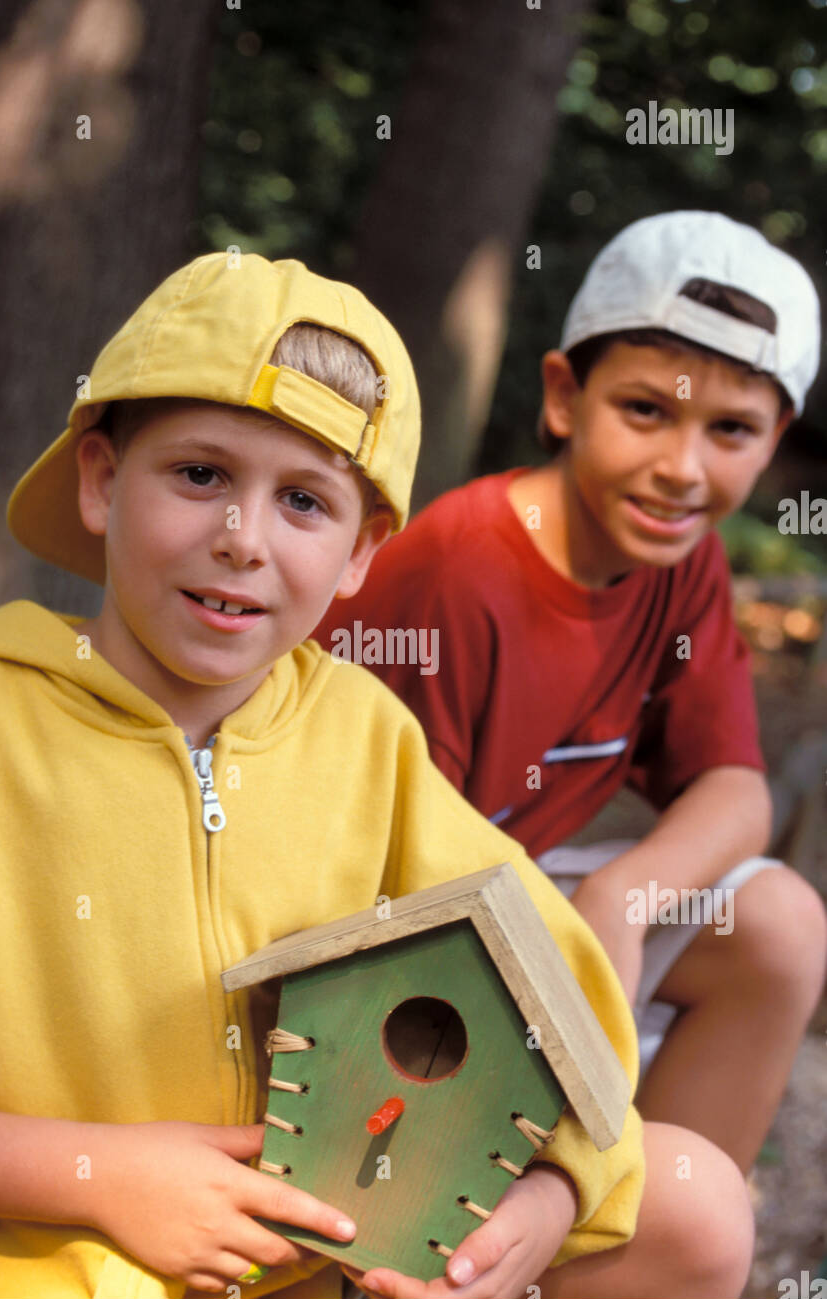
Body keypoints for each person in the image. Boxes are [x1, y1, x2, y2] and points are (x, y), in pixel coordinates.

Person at [0, 251, 750, 1299]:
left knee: (699, 1201)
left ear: (363, 553)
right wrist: (100, 1177)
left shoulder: (365, 737)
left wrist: (545, 1193)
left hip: (313, 1256)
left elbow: (563, 989)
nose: (243, 540)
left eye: (306, 503)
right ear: (101, 480)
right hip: (36, 1266)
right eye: (200, 475)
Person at [313, 211, 827, 1183]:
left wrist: (621, 899)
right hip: (373, 931)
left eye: (729, 430)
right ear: (563, 395)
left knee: (779, 925)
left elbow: (734, 788)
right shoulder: (462, 569)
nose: (683, 467)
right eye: (645, 410)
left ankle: (657, 1243)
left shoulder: (682, 561)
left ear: (773, 442)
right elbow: (393, 886)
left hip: (515, 896)